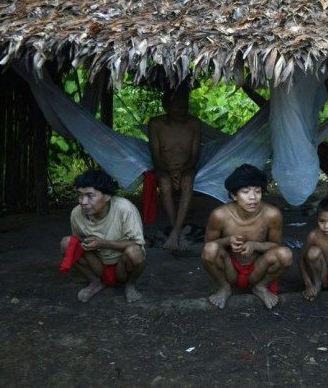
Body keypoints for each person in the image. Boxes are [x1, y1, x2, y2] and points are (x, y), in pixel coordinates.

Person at [201, 164, 293, 309]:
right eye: (245, 192)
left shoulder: (272, 214)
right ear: (233, 195)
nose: (253, 197)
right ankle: (225, 287)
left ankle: (261, 287)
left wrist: (255, 245)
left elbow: (276, 246)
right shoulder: (220, 215)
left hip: (258, 269)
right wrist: (228, 240)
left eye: (258, 191)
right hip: (230, 269)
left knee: (285, 254)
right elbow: (208, 246)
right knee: (210, 250)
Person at [59, 170, 146, 303]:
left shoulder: (125, 209)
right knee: (67, 243)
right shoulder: (77, 213)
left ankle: (130, 284)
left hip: (122, 267)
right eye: (80, 196)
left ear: (107, 196)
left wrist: (103, 243)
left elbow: (137, 244)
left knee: (134, 252)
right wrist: (87, 244)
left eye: (90, 196)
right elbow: (77, 243)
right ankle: (95, 281)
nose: (83, 202)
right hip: (97, 264)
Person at [147, 86, 201, 250]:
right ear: (166, 107)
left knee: (188, 180)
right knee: (164, 182)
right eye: (177, 106)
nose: (182, 110)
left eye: (184, 105)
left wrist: (182, 170)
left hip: (187, 167)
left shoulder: (194, 124)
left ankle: (175, 232)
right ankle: (175, 229)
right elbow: (156, 156)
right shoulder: (156, 124)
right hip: (163, 167)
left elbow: (195, 155)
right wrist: (170, 171)